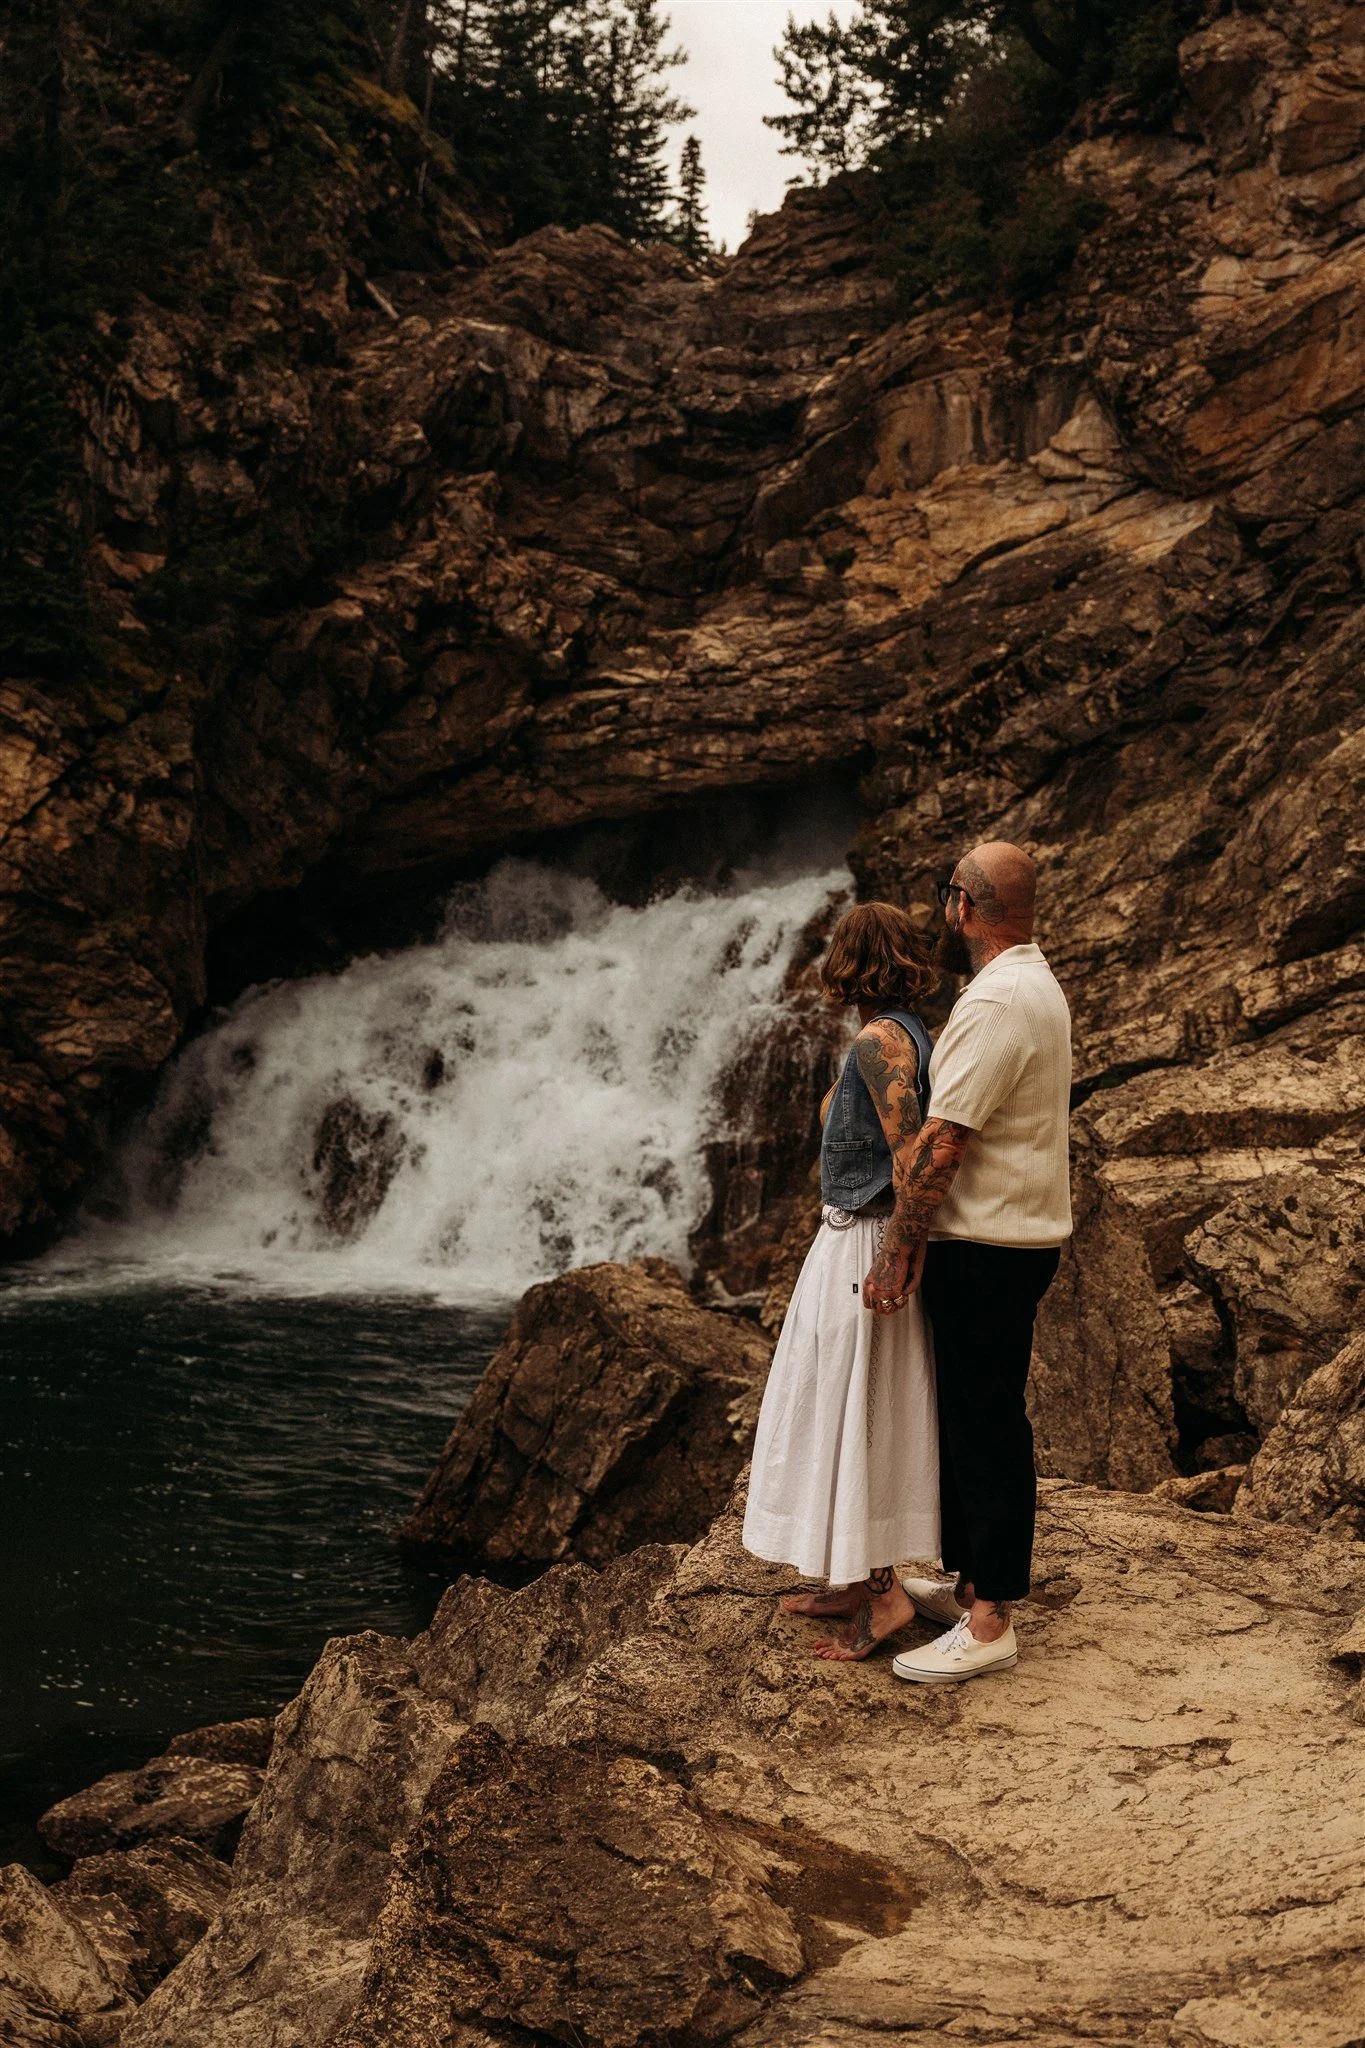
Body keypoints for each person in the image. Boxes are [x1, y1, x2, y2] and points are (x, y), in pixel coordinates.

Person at [861, 840, 1072, 1685]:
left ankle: (989, 1623)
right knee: (972, 1415)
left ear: (961, 905)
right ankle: (971, 1586)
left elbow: (943, 1142)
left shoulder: (997, 1002)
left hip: (987, 1246)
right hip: (1006, 1240)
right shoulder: (1030, 984)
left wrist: (895, 1246)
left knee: (986, 1425)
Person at [742, 901, 941, 1661]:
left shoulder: (880, 1040)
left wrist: (896, 1251)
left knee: (860, 1410)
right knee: (840, 1401)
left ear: (849, 962)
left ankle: (885, 1598)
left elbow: (910, 1154)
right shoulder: (906, 1032)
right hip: (853, 1237)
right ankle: (855, 1579)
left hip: (864, 1241)